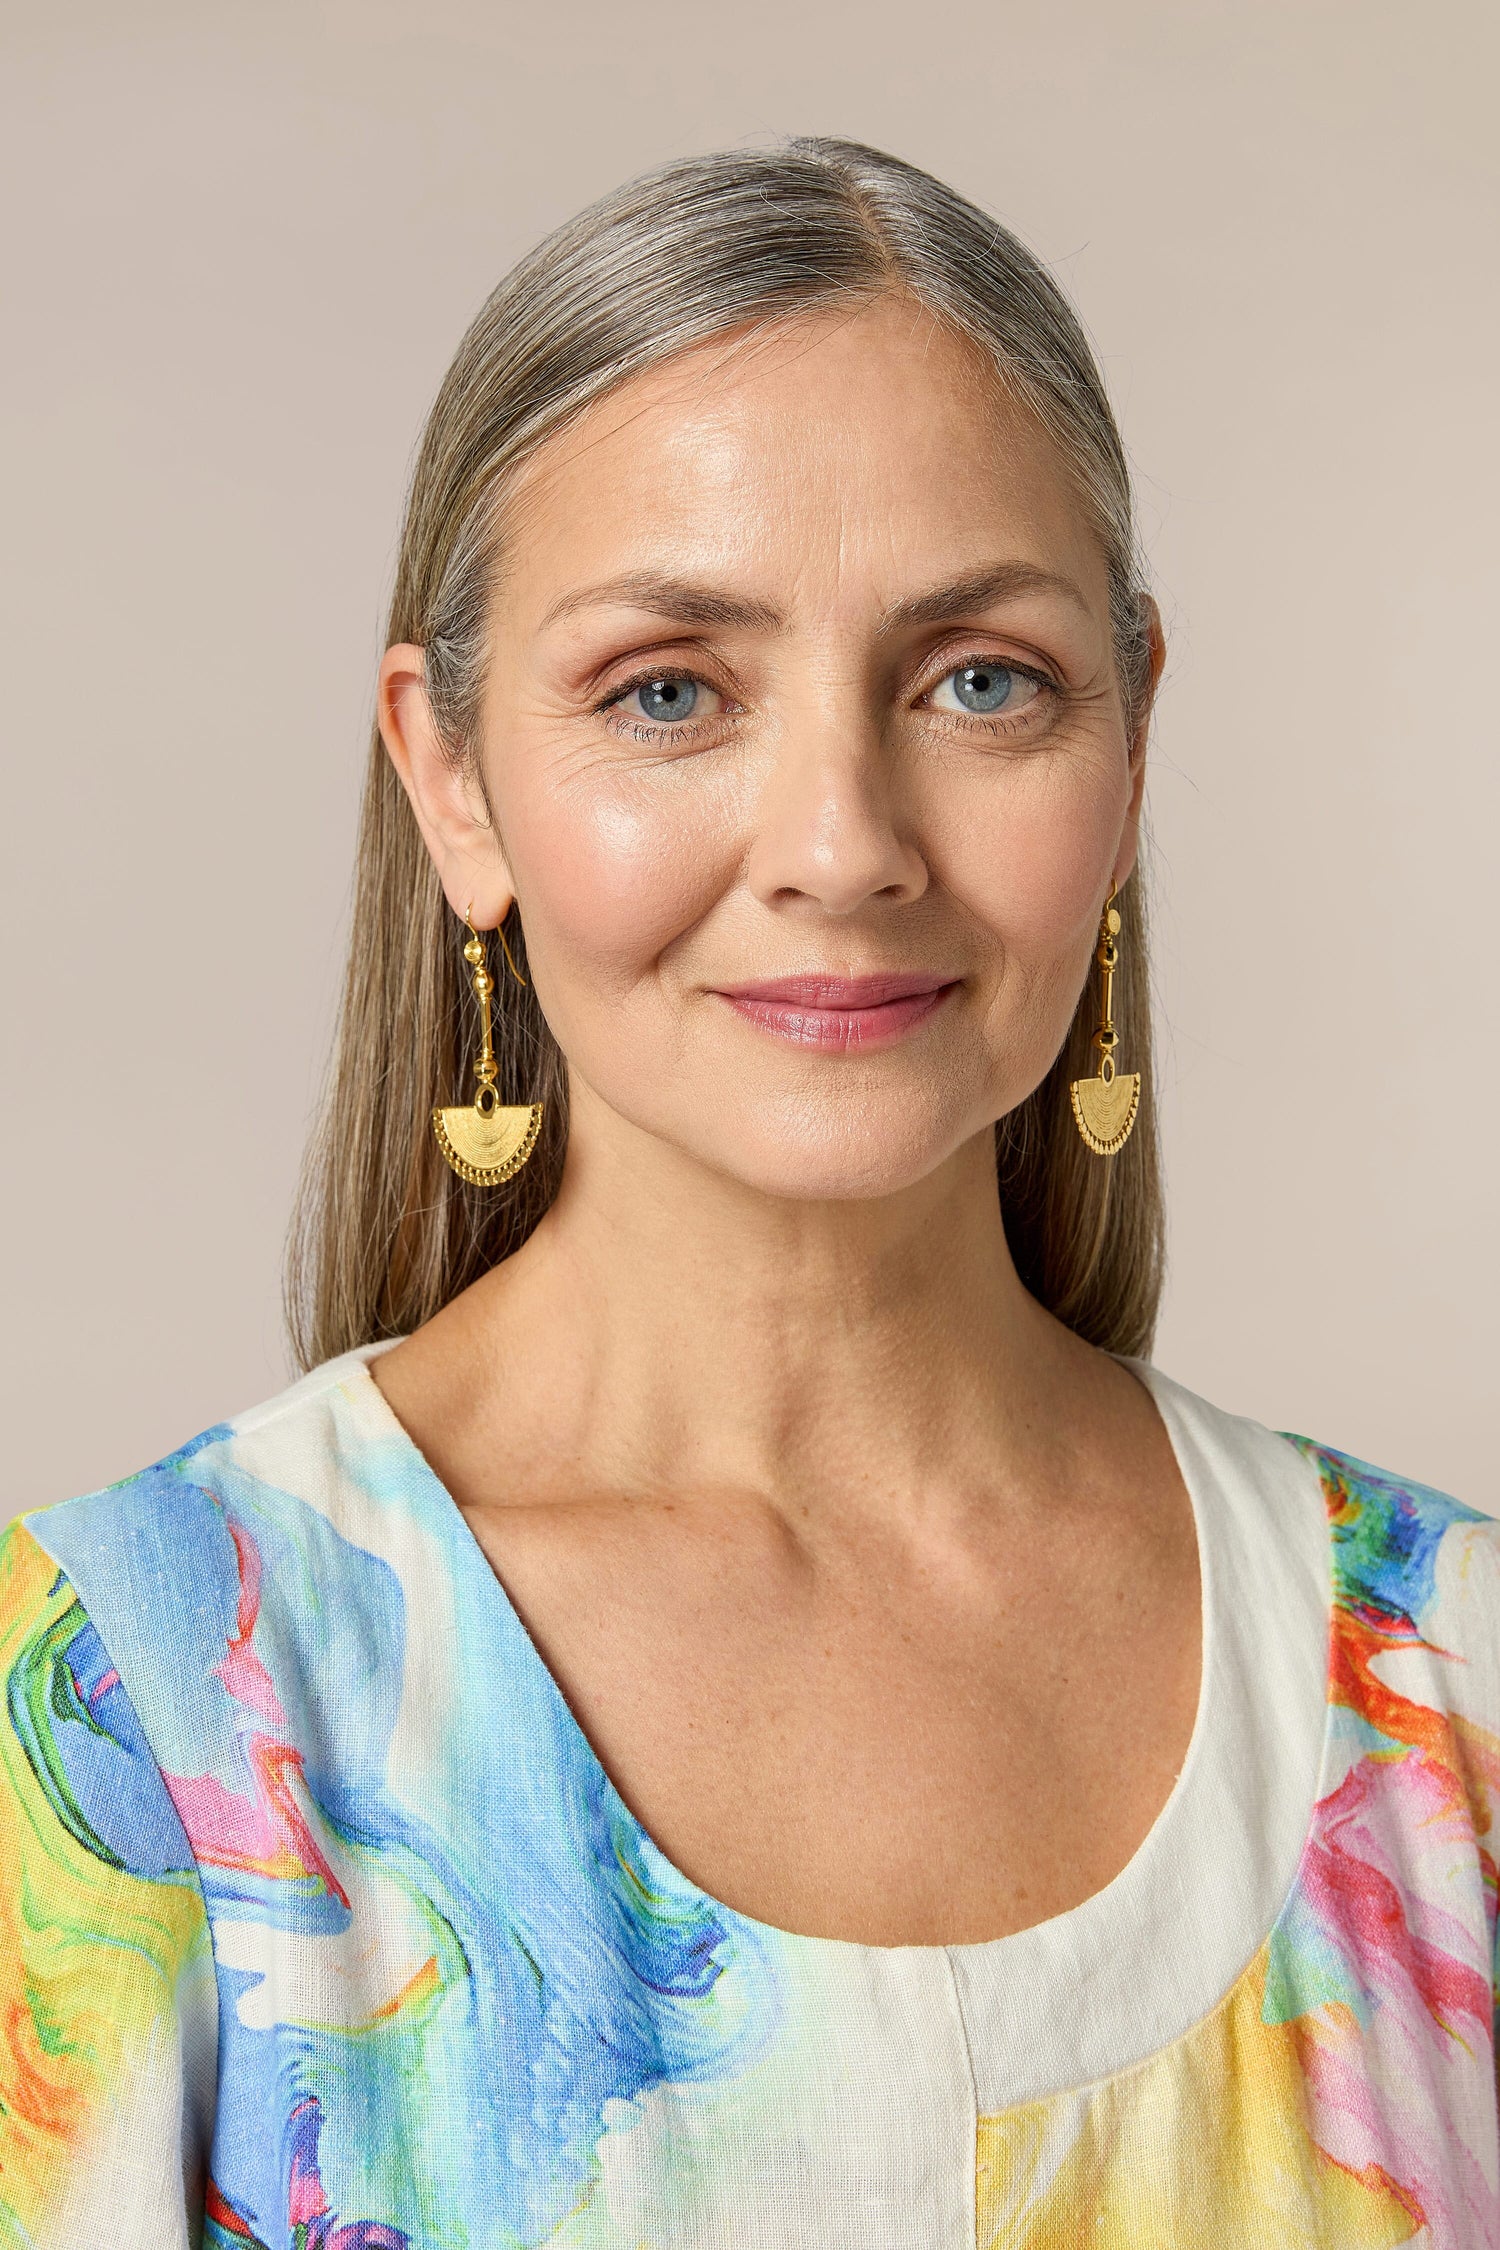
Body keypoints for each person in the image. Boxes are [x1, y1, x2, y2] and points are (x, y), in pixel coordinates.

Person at [1, 138, 1493, 2250]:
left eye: (981, 678)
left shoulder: (1454, 1694)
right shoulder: (133, 1716)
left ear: (1134, 740)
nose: (843, 843)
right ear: (453, 777)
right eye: (670, 693)